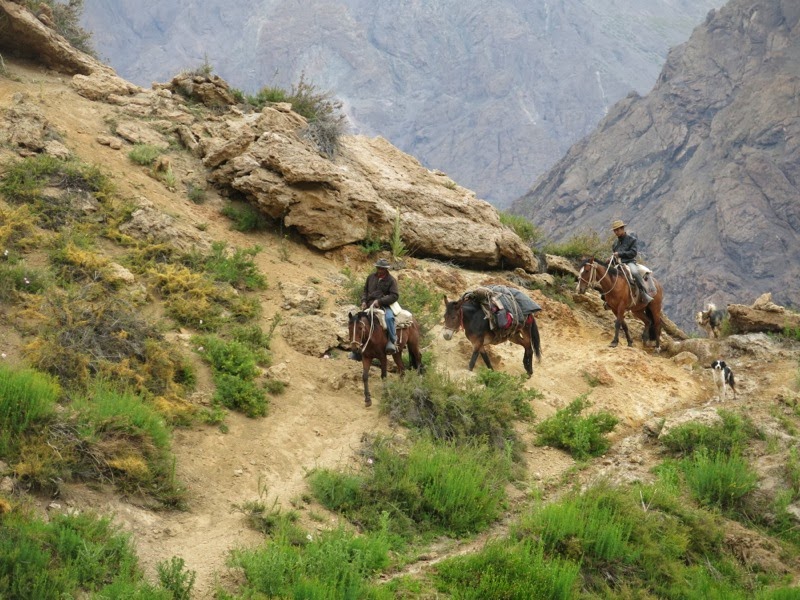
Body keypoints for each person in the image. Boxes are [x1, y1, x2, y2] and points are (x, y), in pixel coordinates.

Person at [361, 258, 399, 353]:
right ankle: (357, 346)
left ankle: (392, 341)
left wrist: (380, 301)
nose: (380, 270)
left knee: (389, 318)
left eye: (382, 269)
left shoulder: (391, 280)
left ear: (386, 269)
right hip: (369, 305)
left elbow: (394, 295)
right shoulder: (370, 277)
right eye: (378, 268)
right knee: (358, 320)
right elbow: (365, 291)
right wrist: (364, 301)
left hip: (385, 305)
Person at [610, 219, 653, 304]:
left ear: (622, 229)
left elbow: (633, 253)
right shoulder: (615, 243)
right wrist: (611, 259)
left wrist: (620, 254)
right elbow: (615, 254)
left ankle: (644, 293)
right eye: (615, 230)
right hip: (618, 263)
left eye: (618, 230)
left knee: (635, 272)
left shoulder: (631, 240)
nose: (616, 232)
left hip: (629, 262)